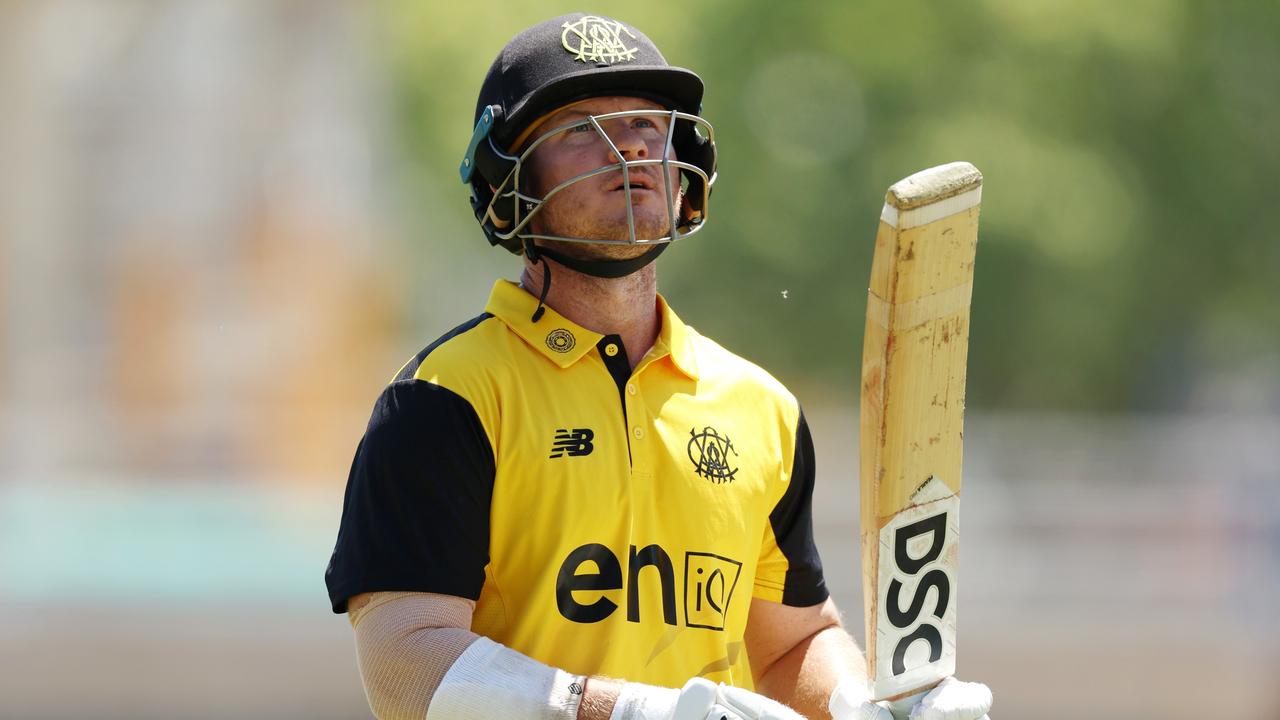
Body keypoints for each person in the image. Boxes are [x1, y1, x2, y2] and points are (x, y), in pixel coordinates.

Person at [324, 13, 994, 720]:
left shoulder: (759, 407)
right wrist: (627, 712)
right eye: (581, 127)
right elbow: (406, 664)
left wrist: (859, 702)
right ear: (507, 178)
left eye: (649, 122)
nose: (631, 149)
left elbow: (790, 643)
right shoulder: (444, 398)